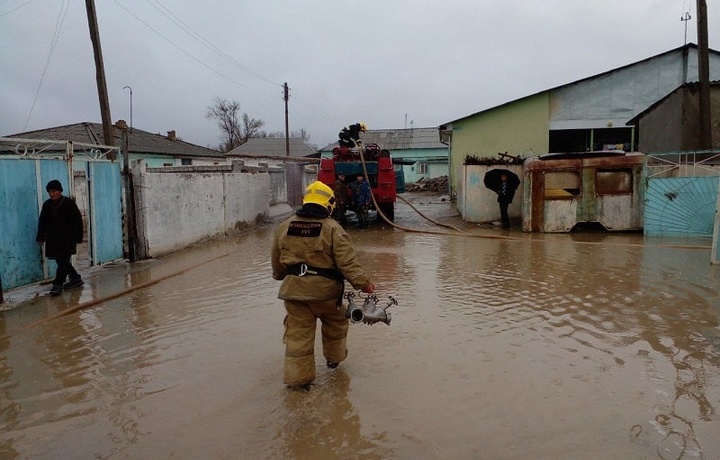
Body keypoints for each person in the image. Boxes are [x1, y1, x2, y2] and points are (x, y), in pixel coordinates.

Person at [271, 181, 375, 390]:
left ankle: (298, 381)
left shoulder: (285, 226)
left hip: (294, 294)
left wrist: (281, 275)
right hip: (326, 295)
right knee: (336, 324)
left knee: (298, 334)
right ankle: (334, 361)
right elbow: (347, 262)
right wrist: (364, 283)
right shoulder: (332, 228)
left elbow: (277, 261)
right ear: (329, 204)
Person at [36, 179, 84, 296]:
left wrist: (78, 237)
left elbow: (77, 221)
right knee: (61, 260)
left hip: (67, 239)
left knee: (63, 260)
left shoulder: (69, 204)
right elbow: (43, 222)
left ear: (59, 191)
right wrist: (40, 237)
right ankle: (75, 277)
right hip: (53, 239)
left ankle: (58, 284)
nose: (52, 194)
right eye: (49, 192)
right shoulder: (47, 205)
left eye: (54, 191)